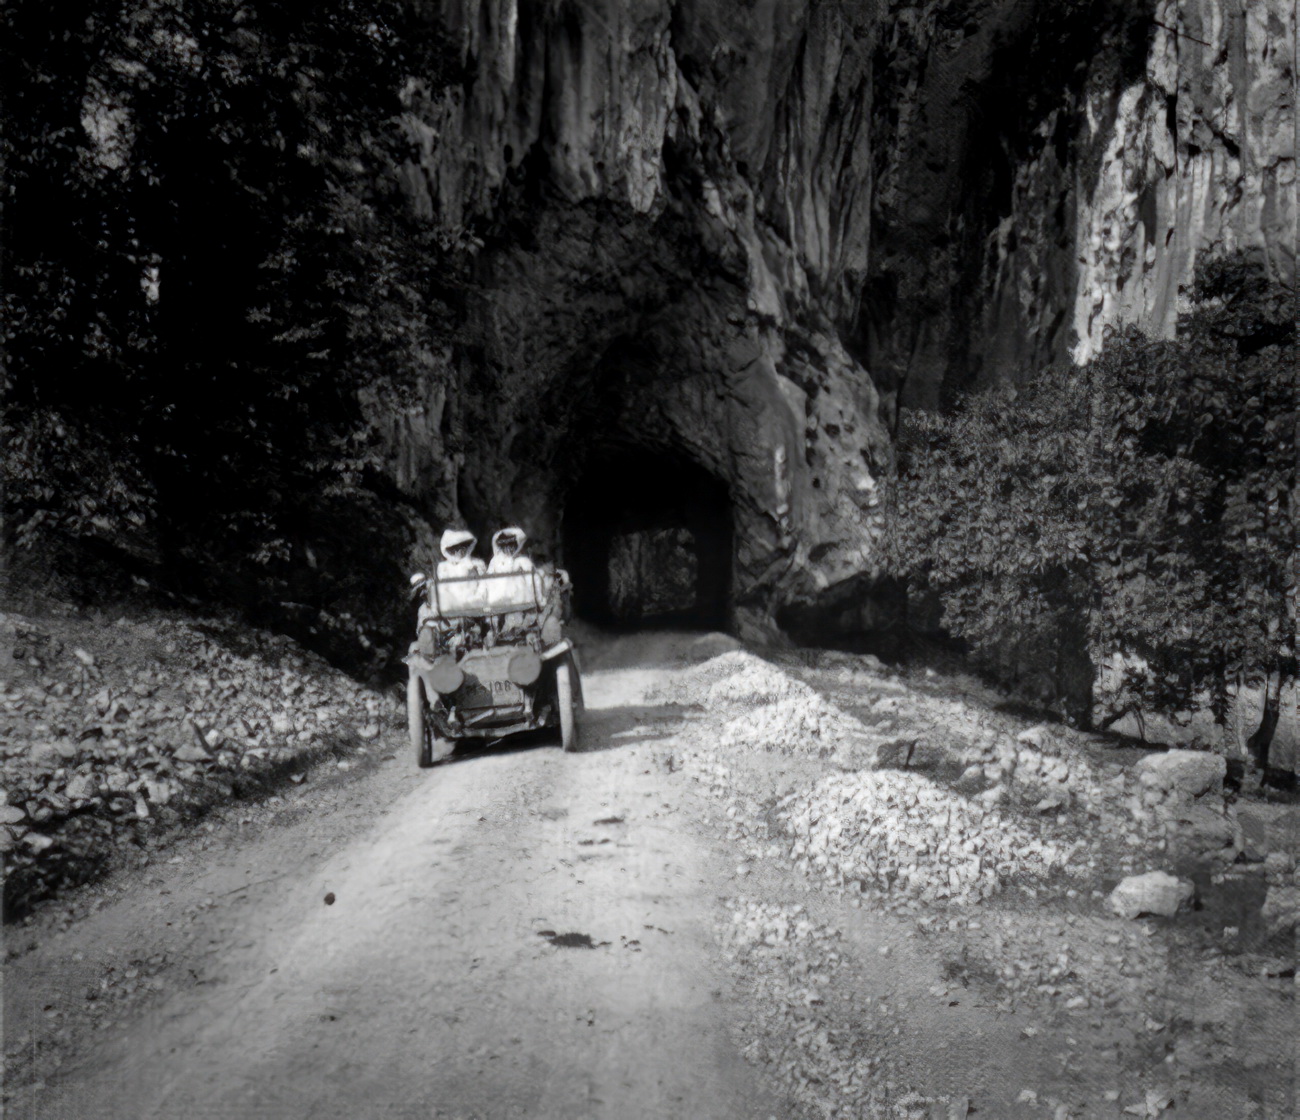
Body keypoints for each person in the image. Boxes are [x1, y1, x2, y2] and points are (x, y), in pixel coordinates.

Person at [488, 527, 537, 630]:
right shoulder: (496, 560)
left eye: (512, 547)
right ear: (501, 547)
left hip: (514, 592)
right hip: (498, 591)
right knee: (493, 609)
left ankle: (511, 628)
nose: (509, 550)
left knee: (515, 613)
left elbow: (529, 577)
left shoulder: (519, 560)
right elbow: (489, 575)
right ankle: (495, 628)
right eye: (506, 547)